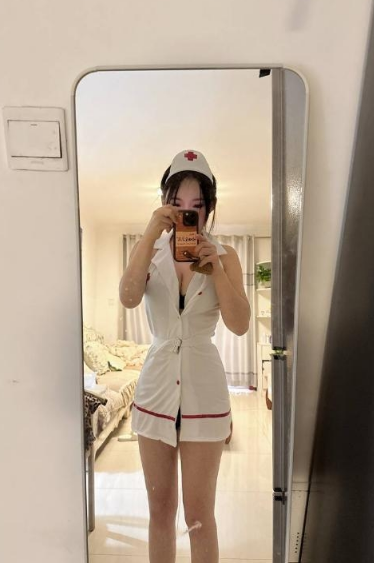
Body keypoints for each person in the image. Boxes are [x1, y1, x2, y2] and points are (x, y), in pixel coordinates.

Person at [119, 150, 251, 563]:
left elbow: (240, 324)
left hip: (204, 390)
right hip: (156, 388)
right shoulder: (150, 252)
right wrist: (148, 236)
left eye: (196, 206)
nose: (186, 215)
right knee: (160, 511)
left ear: (209, 209)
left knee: (199, 517)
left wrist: (218, 270)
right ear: (163, 203)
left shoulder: (226, 255)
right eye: (176, 205)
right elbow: (128, 297)